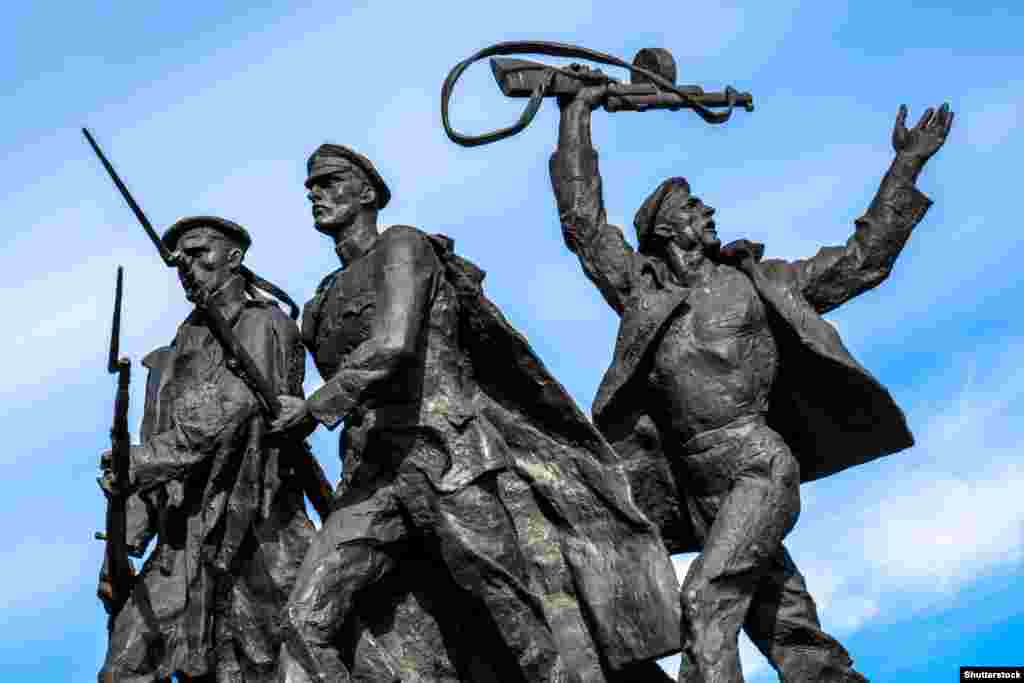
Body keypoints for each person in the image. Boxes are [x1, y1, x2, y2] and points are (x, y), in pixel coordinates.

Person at [548, 81, 952, 683]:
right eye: (692, 208)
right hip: (695, 486)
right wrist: (575, 113)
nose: (708, 213)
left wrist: (907, 163)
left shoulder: (761, 283)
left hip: (756, 464)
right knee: (789, 629)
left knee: (705, 601)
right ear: (663, 229)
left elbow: (863, 259)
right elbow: (583, 223)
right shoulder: (642, 291)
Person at [271, 143, 681, 683]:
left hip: (447, 459)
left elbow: (393, 345)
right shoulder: (321, 301)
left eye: (328, 182)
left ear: (367, 192)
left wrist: (313, 409)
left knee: (515, 617)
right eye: (311, 187)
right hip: (372, 478)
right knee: (305, 619)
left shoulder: (403, 246)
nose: (315, 194)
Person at [98, 216, 315, 682]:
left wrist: (140, 463)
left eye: (200, 253)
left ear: (234, 258)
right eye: (181, 258)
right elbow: (147, 446)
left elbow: (236, 409)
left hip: (255, 525)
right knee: (124, 668)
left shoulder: (265, 324)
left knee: (286, 660)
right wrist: (125, 538)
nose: (188, 265)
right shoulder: (169, 355)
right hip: (179, 543)